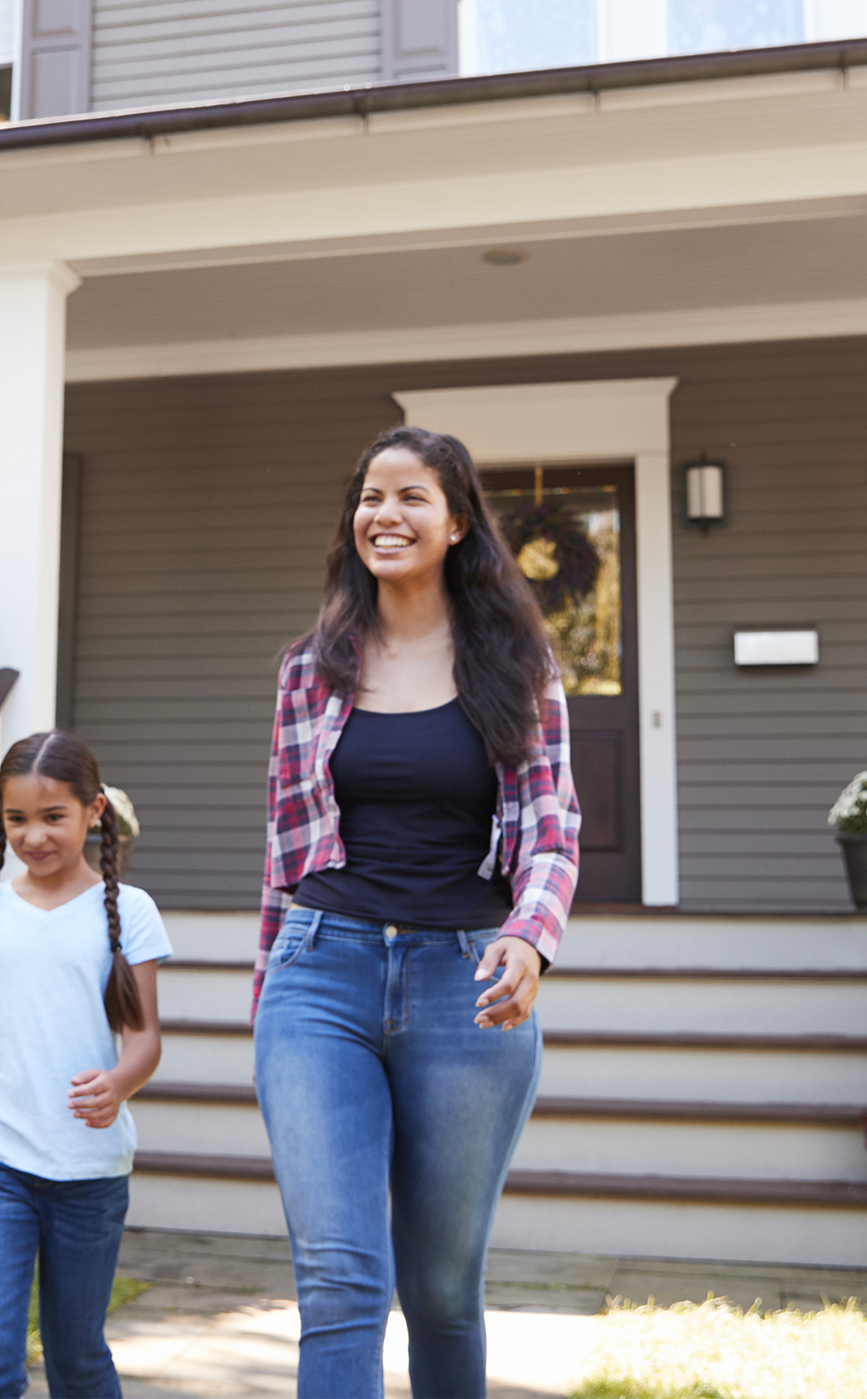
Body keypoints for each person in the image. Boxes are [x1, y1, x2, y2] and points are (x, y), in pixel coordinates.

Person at [252, 425, 580, 1399]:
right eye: (369, 496)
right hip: (322, 974)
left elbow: (554, 830)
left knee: (441, 1291)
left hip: (464, 986)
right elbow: (281, 856)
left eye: (409, 497)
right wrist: (269, 997)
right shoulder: (309, 668)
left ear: (456, 521)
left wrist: (531, 937)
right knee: (341, 1282)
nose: (383, 515)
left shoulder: (517, 664)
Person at [0, 732, 173, 1399]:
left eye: (53, 816)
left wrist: (118, 1083)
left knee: (77, 1358)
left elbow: (145, 1041)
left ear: (93, 812)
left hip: (88, 1172)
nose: (35, 835)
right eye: (17, 818)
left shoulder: (130, 912)